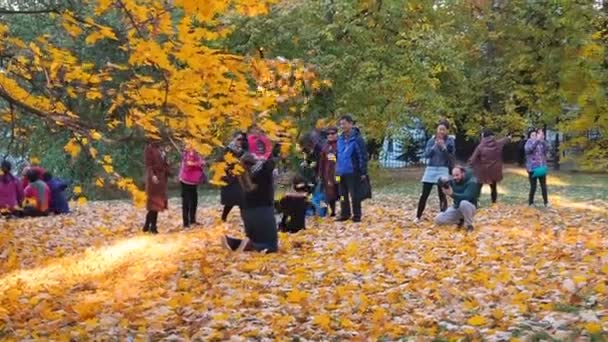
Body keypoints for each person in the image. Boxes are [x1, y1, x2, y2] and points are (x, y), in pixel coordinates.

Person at [221, 140, 278, 253]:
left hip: (247, 209)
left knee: (255, 239)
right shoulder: (264, 167)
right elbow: (272, 158)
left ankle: (231, 242)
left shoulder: (243, 166)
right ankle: (247, 244)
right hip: (263, 208)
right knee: (271, 246)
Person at [415, 120, 455, 222]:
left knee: (442, 194)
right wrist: (434, 146)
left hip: (443, 169)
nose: (441, 131)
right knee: (424, 194)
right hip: (431, 169)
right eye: (440, 129)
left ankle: (443, 216)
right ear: (437, 130)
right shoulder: (431, 141)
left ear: (447, 130)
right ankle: (418, 216)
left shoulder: (450, 141)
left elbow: (450, 157)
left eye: (444, 129)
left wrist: (443, 147)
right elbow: (427, 155)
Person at [336, 114, 368, 223]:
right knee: (342, 195)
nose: (342, 126)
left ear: (350, 124)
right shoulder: (339, 139)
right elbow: (337, 155)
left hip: (353, 171)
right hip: (341, 171)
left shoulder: (357, 139)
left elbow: (362, 156)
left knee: (354, 195)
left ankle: (357, 215)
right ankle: (345, 214)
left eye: (344, 124)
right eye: (341, 124)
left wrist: (363, 171)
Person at [468, 129, 510, 204]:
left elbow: (473, 159)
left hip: (482, 171)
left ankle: (475, 202)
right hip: (494, 171)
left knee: (478, 187)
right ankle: (494, 203)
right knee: (493, 188)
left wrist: (469, 165)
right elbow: (505, 140)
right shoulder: (498, 143)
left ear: (483, 136)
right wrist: (508, 137)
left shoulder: (480, 146)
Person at [435, 165, 479, 231]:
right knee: (438, 219)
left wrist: (452, 194)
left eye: (457, 175)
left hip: (470, 207)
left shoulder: (472, 182)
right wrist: (443, 183)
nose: (455, 177)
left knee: (463, 203)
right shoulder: (453, 181)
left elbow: (467, 197)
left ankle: (469, 225)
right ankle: (459, 221)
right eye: (454, 175)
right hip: (457, 208)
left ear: (463, 173)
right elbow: (440, 181)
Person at [143, 139, 170, 234]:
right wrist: (153, 175)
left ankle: (148, 225)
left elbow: (165, 163)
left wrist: (168, 169)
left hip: (161, 178)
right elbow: (148, 165)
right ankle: (152, 226)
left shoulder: (161, 149)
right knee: (154, 204)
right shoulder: (149, 149)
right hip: (154, 179)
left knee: (157, 205)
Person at [220, 132, 246, 222]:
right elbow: (224, 163)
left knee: (242, 201)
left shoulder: (244, 150)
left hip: (240, 178)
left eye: (242, 139)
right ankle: (223, 218)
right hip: (230, 178)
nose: (240, 141)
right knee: (230, 202)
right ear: (234, 139)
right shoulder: (228, 150)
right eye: (239, 139)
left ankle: (245, 220)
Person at [179, 141, 205, 228]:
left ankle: (192, 220)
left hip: (193, 181)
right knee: (186, 201)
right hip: (186, 180)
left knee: (194, 201)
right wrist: (199, 163)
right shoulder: (189, 152)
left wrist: (201, 162)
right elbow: (189, 164)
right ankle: (186, 223)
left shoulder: (196, 153)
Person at [525, 128, 550, 207]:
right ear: (529, 136)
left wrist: (543, 140)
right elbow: (528, 150)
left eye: (535, 135)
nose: (534, 136)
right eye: (532, 135)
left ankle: (546, 202)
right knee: (533, 186)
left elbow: (547, 149)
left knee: (543, 186)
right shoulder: (528, 143)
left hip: (541, 167)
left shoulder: (540, 143)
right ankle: (530, 202)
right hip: (532, 168)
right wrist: (536, 141)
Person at [319, 126, 339, 217]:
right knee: (329, 194)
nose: (330, 135)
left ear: (336, 134)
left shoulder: (340, 144)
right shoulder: (325, 147)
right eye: (329, 134)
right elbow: (322, 162)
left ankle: (345, 211)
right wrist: (321, 174)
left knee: (341, 193)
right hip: (328, 174)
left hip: (338, 172)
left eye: (332, 134)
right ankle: (332, 211)